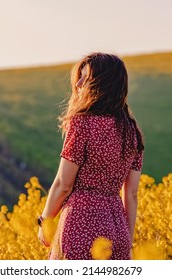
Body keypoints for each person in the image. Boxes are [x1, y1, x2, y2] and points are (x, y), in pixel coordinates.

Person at [37, 52, 144, 260]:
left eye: (85, 78)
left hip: (80, 225)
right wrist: (126, 244)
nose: (77, 84)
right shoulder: (132, 132)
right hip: (118, 229)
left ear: (101, 85)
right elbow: (131, 195)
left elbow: (63, 184)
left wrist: (45, 221)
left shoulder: (82, 123)